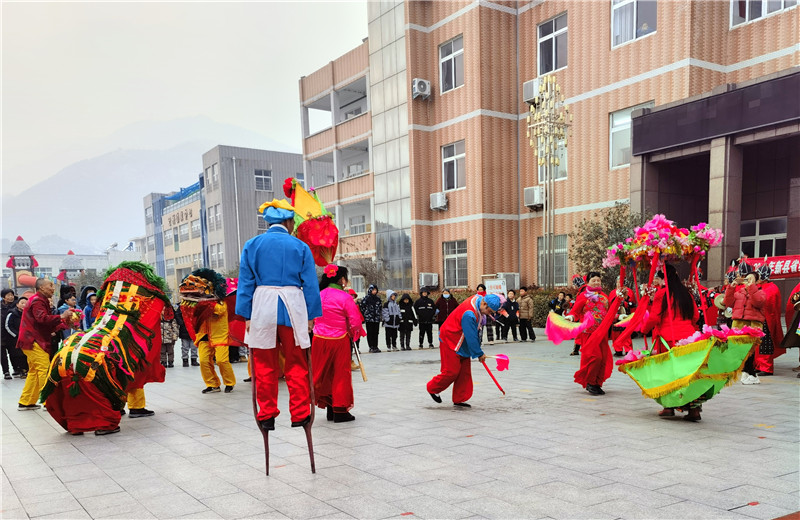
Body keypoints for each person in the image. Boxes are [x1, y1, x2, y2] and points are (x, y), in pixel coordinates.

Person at [236, 199, 322, 432]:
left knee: (264, 364)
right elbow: (311, 285)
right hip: (292, 307)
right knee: (296, 362)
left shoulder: (252, 245)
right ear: (288, 221)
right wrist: (312, 315)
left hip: (262, 306)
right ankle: (300, 413)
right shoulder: (300, 246)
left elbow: (245, 283)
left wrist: (246, 315)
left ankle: (267, 414)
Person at [640, 264, 701, 419]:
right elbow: (696, 317)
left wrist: (643, 329)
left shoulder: (662, 294)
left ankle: (669, 406)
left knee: (669, 373)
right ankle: (694, 409)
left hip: (669, 339)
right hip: (689, 339)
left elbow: (654, 317)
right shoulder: (686, 293)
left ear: (663, 278)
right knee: (690, 373)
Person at [427, 293, 502, 406]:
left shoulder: (479, 299)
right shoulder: (469, 314)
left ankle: (459, 398)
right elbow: (471, 335)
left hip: (462, 340)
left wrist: (477, 351)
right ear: (484, 303)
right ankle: (433, 388)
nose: (489, 314)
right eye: (489, 311)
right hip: (450, 338)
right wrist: (479, 353)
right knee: (451, 371)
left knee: (464, 371)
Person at [312, 265, 365, 423]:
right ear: (342, 279)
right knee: (340, 374)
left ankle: (330, 408)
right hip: (339, 339)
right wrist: (356, 333)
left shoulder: (318, 295)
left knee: (324, 373)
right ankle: (340, 410)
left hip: (319, 339)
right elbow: (355, 321)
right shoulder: (345, 297)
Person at [17, 279, 73, 410]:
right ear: (41, 288)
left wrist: (64, 324)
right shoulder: (37, 301)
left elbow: (44, 323)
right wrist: (61, 316)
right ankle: (48, 400)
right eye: (50, 286)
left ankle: (26, 401)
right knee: (44, 369)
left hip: (30, 339)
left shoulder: (40, 300)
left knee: (34, 371)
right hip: (33, 340)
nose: (53, 289)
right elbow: (42, 319)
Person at [566, 272, 622, 396]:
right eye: (594, 280)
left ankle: (597, 383)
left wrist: (618, 316)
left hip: (601, 333)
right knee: (594, 358)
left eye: (598, 280)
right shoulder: (583, 296)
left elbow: (608, 313)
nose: (596, 282)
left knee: (603, 359)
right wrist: (571, 316)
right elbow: (575, 311)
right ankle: (590, 382)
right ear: (588, 282)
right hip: (588, 333)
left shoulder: (604, 296)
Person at [723, 263, 766, 385]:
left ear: (757, 281)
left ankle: (750, 372)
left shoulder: (761, 292)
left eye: (752, 279)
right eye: (747, 278)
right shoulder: (739, 292)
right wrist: (731, 288)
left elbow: (758, 302)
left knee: (750, 350)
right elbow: (728, 302)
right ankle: (747, 372)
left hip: (752, 325)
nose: (748, 281)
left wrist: (752, 287)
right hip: (739, 324)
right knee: (740, 349)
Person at [195, 297, 237, 393]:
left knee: (221, 360)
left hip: (220, 336)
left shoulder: (221, 302)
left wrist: (205, 303)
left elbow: (219, 310)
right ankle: (212, 384)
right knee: (203, 361)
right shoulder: (198, 301)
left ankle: (229, 382)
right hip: (203, 335)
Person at [754, 263, 783, 377]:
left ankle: (767, 367)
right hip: (759, 319)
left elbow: (768, 305)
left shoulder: (771, 288)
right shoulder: (762, 287)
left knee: (766, 345)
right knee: (758, 345)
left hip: (767, 320)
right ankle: (759, 365)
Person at [3, 296, 28, 378]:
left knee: (26, 354)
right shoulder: (12, 313)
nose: (24, 305)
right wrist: (16, 335)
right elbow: (8, 326)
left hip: (27, 338)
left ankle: (26, 369)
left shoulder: (29, 313)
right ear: (17, 304)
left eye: (26, 303)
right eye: (22, 303)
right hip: (15, 338)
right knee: (17, 354)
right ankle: (19, 370)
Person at [360, 285, 383, 353]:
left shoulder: (378, 299)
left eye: (375, 290)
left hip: (376, 319)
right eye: (373, 290)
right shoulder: (366, 298)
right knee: (370, 333)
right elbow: (362, 307)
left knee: (376, 333)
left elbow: (380, 308)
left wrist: (379, 315)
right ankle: (371, 346)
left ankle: (375, 346)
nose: (374, 291)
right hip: (369, 319)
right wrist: (366, 314)